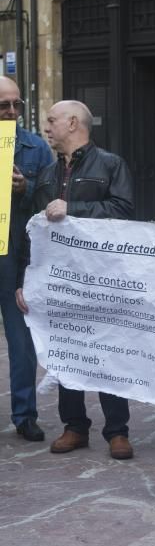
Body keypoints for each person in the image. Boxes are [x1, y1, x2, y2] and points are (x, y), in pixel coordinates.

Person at [16, 100, 135, 459]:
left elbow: (124, 212)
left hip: (102, 278)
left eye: (51, 121)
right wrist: (25, 280)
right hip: (61, 281)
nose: (46, 127)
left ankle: (117, 430)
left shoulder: (111, 164)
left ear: (72, 123)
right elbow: (33, 233)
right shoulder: (50, 175)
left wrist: (75, 209)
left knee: (107, 352)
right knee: (68, 352)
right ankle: (74, 427)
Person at [0, 76, 52, 441]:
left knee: (21, 339)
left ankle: (24, 414)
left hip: (15, 253)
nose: (12, 112)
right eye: (4, 106)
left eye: (17, 104)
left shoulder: (34, 147)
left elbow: (49, 199)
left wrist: (26, 188)